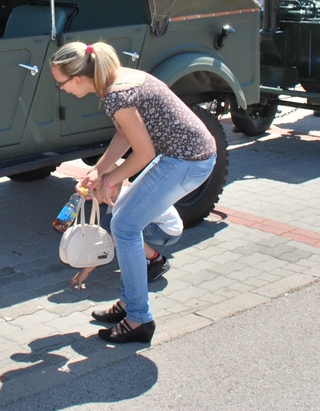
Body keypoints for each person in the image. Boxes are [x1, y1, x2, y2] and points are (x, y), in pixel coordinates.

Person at [50, 41, 217, 345]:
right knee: (123, 224)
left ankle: (139, 318)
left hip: (187, 161)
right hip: (183, 156)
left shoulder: (116, 95)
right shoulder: (116, 79)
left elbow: (143, 152)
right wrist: (99, 170)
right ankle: (130, 305)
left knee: (125, 227)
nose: (61, 89)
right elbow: (126, 133)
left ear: (77, 78)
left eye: (59, 83)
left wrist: (110, 180)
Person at [68, 181, 184, 291]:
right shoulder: (117, 194)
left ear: (112, 190)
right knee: (109, 221)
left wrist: (86, 271)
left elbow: (112, 241)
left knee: (123, 233)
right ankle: (140, 254)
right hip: (161, 224)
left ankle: (158, 261)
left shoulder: (123, 204)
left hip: (166, 232)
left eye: (95, 189)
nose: (91, 193)